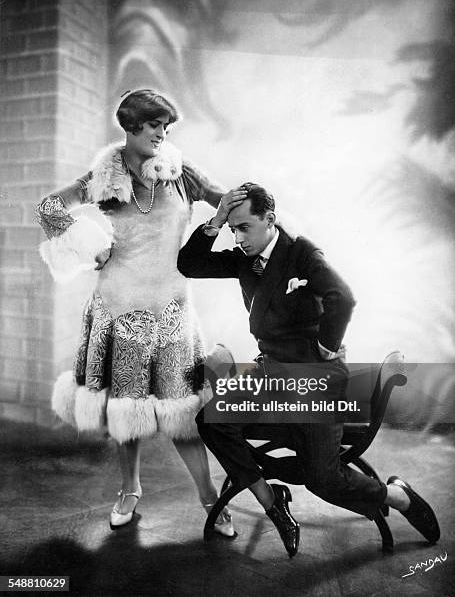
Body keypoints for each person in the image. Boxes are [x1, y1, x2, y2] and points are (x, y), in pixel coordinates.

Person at [177, 182, 440, 557]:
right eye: (232, 229)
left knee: (324, 480)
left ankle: (398, 497)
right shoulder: (243, 257)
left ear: (270, 219)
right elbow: (189, 264)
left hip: (315, 380)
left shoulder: (301, 252)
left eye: (244, 227)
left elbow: (343, 297)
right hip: (270, 376)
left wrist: (327, 347)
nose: (237, 237)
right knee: (213, 421)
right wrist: (216, 221)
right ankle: (273, 501)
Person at [36, 89, 234, 535]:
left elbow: (226, 198)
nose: (162, 134)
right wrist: (92, 248)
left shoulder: (181, 173)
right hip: (118, 308)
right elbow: (49, 207)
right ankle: (129, 490)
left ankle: (210, 497)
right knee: (127, 412)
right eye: (154, 126)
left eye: (167, 127)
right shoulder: (103, 177)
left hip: (172, 308)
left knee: (183, 414)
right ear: (130, 127)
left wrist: (258, 215)